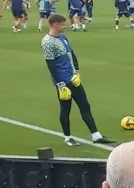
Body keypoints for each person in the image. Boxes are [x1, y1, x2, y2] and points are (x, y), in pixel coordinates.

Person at [42, 13, 114, 147]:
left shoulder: (63, 37)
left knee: (85, 105)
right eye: (63, 24)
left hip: (73, 79)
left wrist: (77, 72)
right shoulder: (47, 42)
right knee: (65, 109)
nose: (65, 26)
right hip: (63, 81)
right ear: (55, 25)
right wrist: (60, 84)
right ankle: (67, 137)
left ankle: (96, 135)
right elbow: (51, 65)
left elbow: (72, 55)